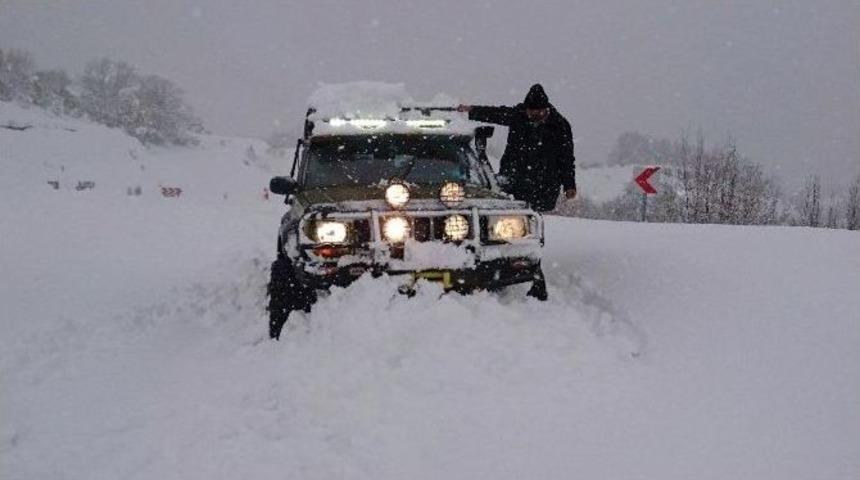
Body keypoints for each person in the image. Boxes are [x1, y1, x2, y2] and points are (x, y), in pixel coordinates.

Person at [458, 84, 576, 212]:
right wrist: (472, 111)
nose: (533, 115)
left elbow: (566, 158)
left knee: (532, 216)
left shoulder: (560, 126)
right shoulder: (519, 116)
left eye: (538, 112)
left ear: (546, 109)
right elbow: (496, 113)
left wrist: (569, 185)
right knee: (510, 215)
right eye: (530, 112)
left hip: (544, 185)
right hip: (514, 180)